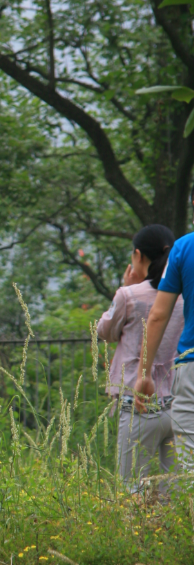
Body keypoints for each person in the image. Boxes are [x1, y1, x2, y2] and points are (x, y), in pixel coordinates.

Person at [98, 225, 183, 488]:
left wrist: (126, 288)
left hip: (137, 402)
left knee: (133, 489)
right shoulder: (184, 295)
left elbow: (105, 332)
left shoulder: (129, 295)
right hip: (179, 401)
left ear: (138, 255)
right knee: (177, 494)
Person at [135, 185, 194, 472]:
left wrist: (144, 373)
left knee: (189, 466)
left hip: (191, 367)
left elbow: (158, 315)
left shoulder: (183, 247)